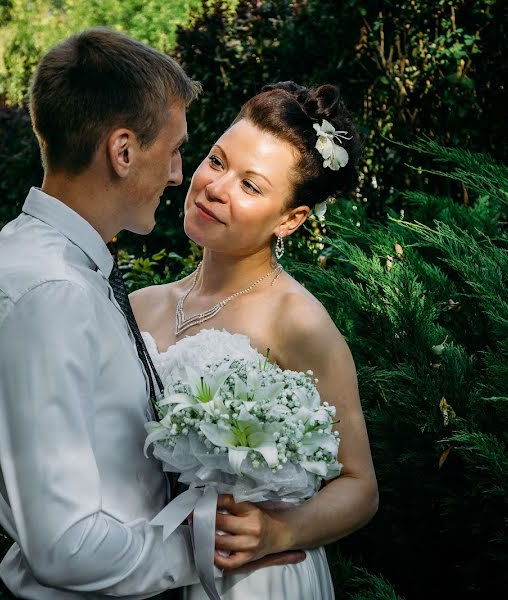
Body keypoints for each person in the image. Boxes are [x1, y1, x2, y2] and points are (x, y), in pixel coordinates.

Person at [0, 29, 301, 599]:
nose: (178, 175)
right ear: (122, 151)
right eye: (174, 150)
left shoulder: (61, 268)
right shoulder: (49, 293)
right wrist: (210, 549)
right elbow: (67, 545)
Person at [131, 82, 379, 599]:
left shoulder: (300, 323)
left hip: (250, 580)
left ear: (290, 219)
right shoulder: (141, 305)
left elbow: (360, 487)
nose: (215, 188)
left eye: (251, 186)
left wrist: (280, 532)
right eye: (218, 161)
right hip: (138, 564)